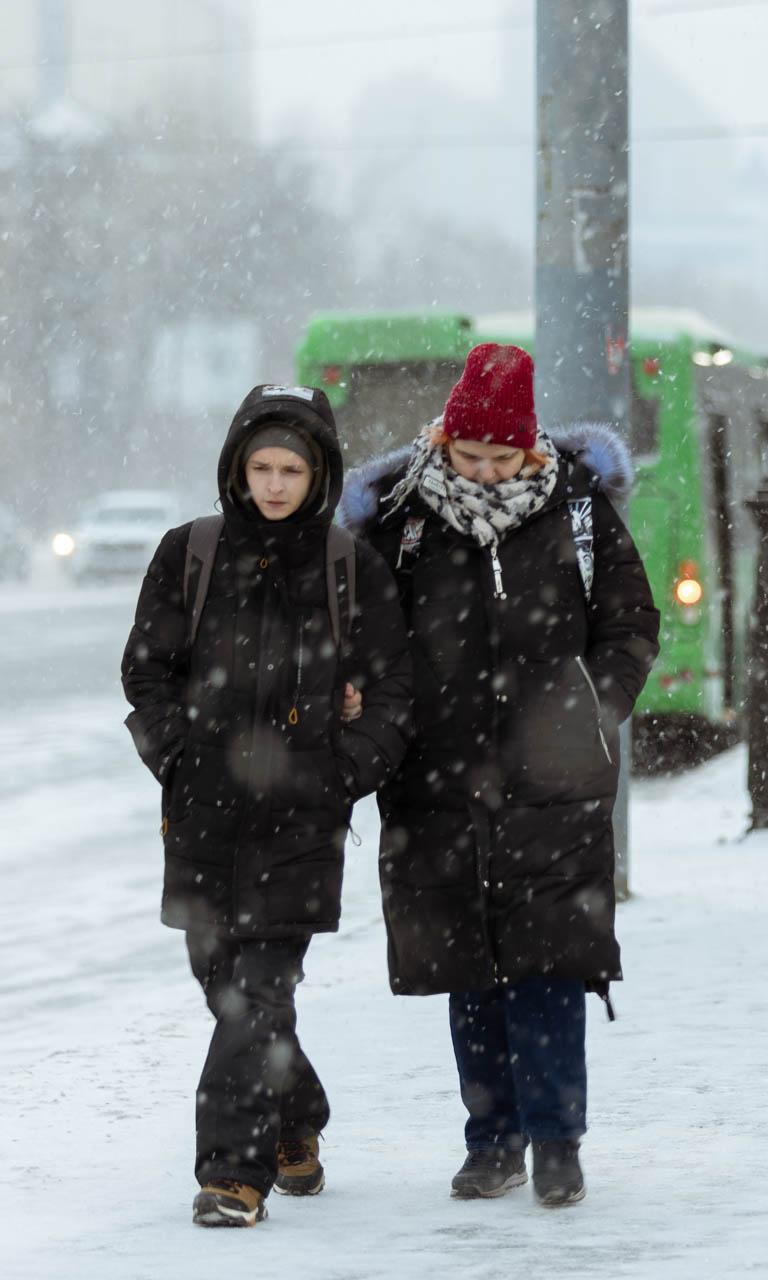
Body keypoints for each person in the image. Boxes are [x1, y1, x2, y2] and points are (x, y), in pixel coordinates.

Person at [341, 343, 660, 1208]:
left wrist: (594, 708)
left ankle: (559, 1142)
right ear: (444, 438)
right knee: (470, 973)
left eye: (500, 457)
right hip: (437, 786)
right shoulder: (401, 520)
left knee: (552, 966)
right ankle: (492, 1141)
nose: (482, 472)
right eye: (468, 455)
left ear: (529, 448)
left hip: (553, 783)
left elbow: (630, 622)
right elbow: (370, 641)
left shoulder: (580, 511)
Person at [122, 385, 413, 1228]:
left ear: (318, 475)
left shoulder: (347, 565)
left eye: (292, 469)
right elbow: (145, 671)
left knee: (257, 992)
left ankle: (231, 1177)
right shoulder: (191, 552)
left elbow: (394, 690)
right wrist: (176, 759)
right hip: (204, 814)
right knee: (226, 990)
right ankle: (297, 1118)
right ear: (237, 468)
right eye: (262, 467)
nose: (275, 484)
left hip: (302, 820)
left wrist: (343, 772)